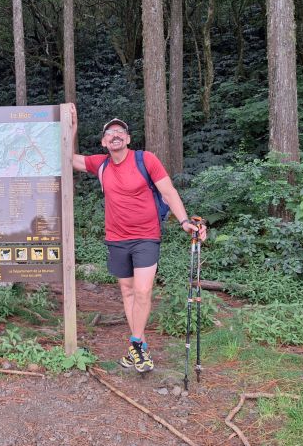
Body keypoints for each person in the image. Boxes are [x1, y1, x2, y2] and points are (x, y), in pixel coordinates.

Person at [70, 106, 206, 373]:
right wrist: (73, 130)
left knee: (143, 291)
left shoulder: (146, 160)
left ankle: (135, 343)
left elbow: (168, 192)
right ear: (103, 142)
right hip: (116, 238)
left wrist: (184, 221)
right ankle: (139, 347)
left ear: (129, 139)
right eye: (110, 133)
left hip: (146, 236)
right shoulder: (100, 164)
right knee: (128, 291)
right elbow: (65, 158)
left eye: (121, 132)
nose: (115, 136)